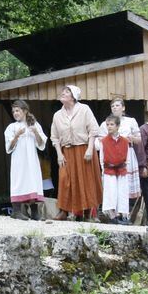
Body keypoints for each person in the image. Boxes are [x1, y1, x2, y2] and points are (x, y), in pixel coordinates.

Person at [50, 85, 101, 221]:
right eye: (63, 91)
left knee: (85, 180)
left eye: (67, 92)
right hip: (66, 151)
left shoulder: (84, 109)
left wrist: (90, 149)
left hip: (83, 149)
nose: (63, 93)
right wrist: (59, 154)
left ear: (73, 97)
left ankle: (87, 212)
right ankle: (64, 211)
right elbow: (54, 137)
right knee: (64, 179)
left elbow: (93, 130)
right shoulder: (57, 115)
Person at [4, 99, 48, 220]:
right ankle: (16, 211)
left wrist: (36, 132)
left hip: (31, 159)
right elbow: (9, 147)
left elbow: (41, 144)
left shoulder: (34, 125)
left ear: (25, 111)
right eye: (13, 111)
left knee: (32, 180)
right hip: (18, 160)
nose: (15, 113)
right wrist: (17, 136)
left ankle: (34, 211)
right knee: (19, 180)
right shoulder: (11, 127)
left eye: (17, 111)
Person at [96, 97, 142, 212]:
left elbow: (139, 139)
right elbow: (100, 141)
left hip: (127, 153)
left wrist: (132, 138)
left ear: (123, 107)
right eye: (112, 106)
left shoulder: (130, 121)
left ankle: (125, 212)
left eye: (117, 105)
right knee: (112, 184)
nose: (115, 108)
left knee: (125, 183)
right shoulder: (105, 124)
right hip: (111, 155)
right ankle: (113, 211)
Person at [99, 115, 131, 224]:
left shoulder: (125, 141)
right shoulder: (103, 141)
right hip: (109, 170)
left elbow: (127, 158)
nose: (109, 127)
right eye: (107, 125)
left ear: (117, 126)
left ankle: (122, 215)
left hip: (122, 170)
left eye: (112, 124)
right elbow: (102, 158)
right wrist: (104, 171)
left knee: (122, 192)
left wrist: (125, 168)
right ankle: (112, 216)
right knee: (110, 192)